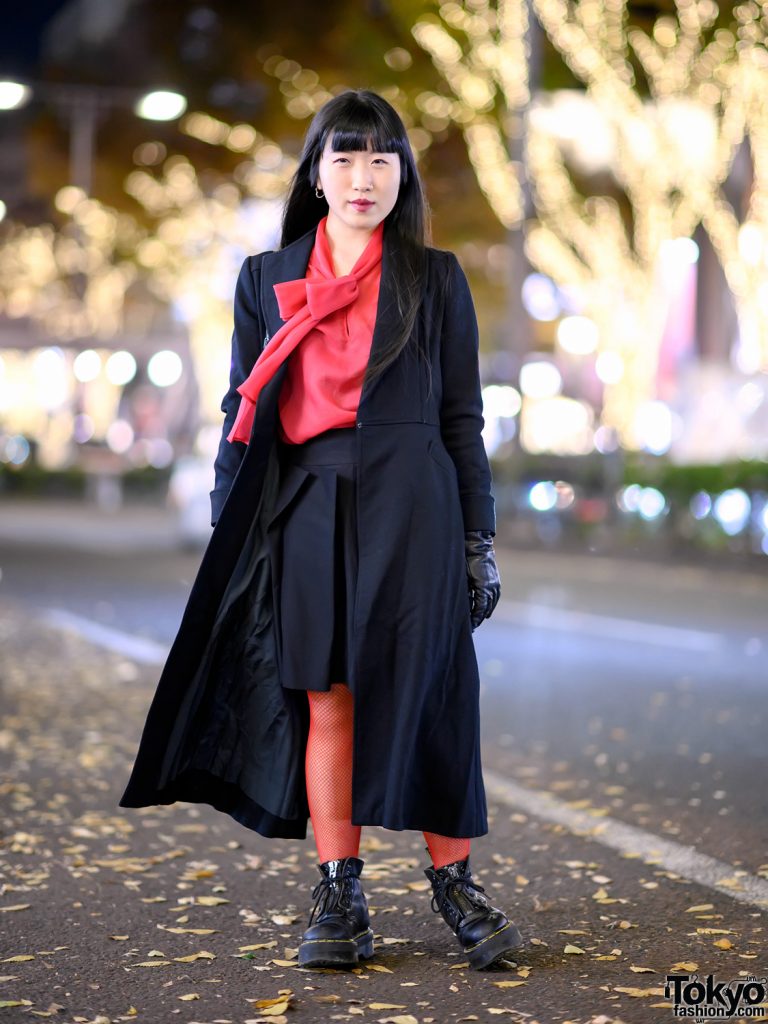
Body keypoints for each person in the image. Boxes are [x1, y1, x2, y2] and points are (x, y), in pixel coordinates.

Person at [119, 88, 523, 972]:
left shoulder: (435, 278)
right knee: (326, 697)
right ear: (315, 174)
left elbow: (463, 420)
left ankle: (455, 883)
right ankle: (340, 893)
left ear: (401, 174)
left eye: (382, 158)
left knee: (434, 694)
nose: (363, 176)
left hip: (416, 507)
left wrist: (477, 539)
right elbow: (242, 405)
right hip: (306, 506)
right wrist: (235, 527)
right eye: (343, 157)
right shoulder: (266, 279)